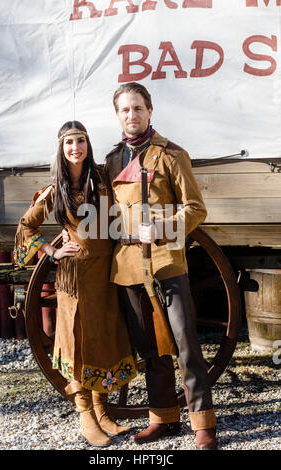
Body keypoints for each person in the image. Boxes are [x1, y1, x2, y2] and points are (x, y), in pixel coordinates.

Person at [103, 82, 217, 450]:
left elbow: (196, 209)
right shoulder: (110, 161)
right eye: (125, 110)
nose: (132, 115)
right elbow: (103, 215)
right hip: (129, 267)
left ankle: (203, 423)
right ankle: (163, 418)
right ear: (118, 115)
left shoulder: (171, 155)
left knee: (185, 343)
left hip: (167, 263)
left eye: (138, 108)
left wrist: (165, 226)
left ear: (150, 111)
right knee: (150, 348)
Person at [13, 120, 137, 448]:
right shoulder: (56, 189)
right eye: (69, 142)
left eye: (80, 140)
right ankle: (84, 413)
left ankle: (101, 408)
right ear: (61, 148)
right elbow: (26, 226)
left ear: (87, 144)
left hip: (105, 274)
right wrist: (52, 250)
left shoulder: (101, 178)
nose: (75, 147)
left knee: (104, 335)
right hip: (75, 278)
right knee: (77, 340)